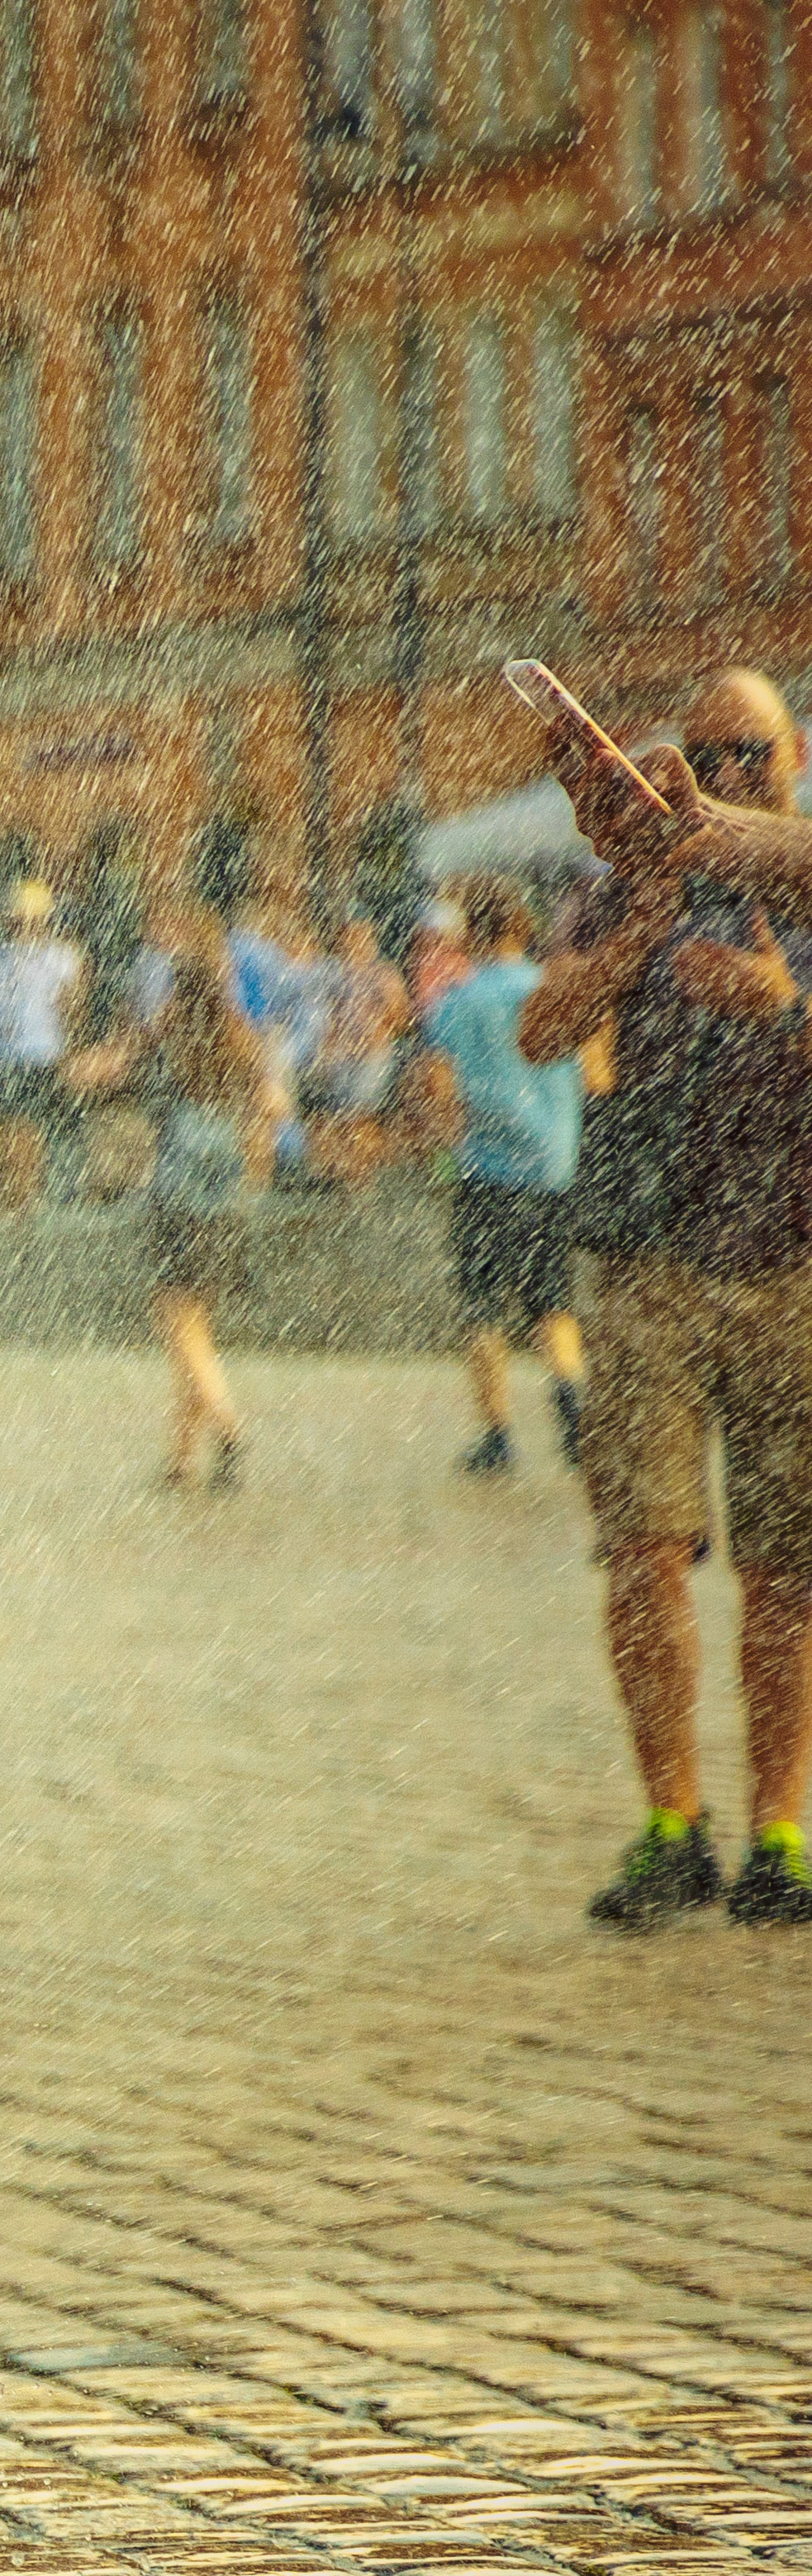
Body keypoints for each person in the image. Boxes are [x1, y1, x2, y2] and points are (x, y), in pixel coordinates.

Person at [521, 670, 812, 1926]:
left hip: (789, 1262)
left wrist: (782, 1007)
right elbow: (539, 1032)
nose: (728, 777)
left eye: (751, 754)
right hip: (645, 1262)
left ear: (793, 755)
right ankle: (670, 1826)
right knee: (641, 1551)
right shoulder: (626, 883)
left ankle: (780, 1835)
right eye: (706, 756)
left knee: (785, 1565)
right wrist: (634, 936)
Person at [67, 910, 278, 1491]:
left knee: (178, 1322)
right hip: (226, 1189)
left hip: (180, 1186)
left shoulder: (171, 1023)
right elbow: (274, 1104)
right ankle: (183, 1460)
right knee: (196, 1327)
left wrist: (78, 1069)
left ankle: (229, 1426)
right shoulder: (240, 1031)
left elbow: (114, 1063)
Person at [424, 874, 584, 1474]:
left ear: (472, 934)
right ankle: (572, 1411)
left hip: (486, 1171)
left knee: (482, 1306)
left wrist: (454, 1137)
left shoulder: (456, 1003)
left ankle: (497, 1434)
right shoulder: (555, 990)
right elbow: (595, 1075)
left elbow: (440, 1092)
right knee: (553, 1300)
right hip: (552, 1169)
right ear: (523, 928)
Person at [0, 878, 82, 1217]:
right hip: (3, 1057)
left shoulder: (62, 958)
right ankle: (10, 1203)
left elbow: (74, 1010)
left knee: (32, 1136)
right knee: (3, 1137)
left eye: (32, 921)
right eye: (19, 921)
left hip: (43, 1057)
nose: (24, 929)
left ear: (45, 921)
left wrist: (71, 1055)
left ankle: (29, 1202)